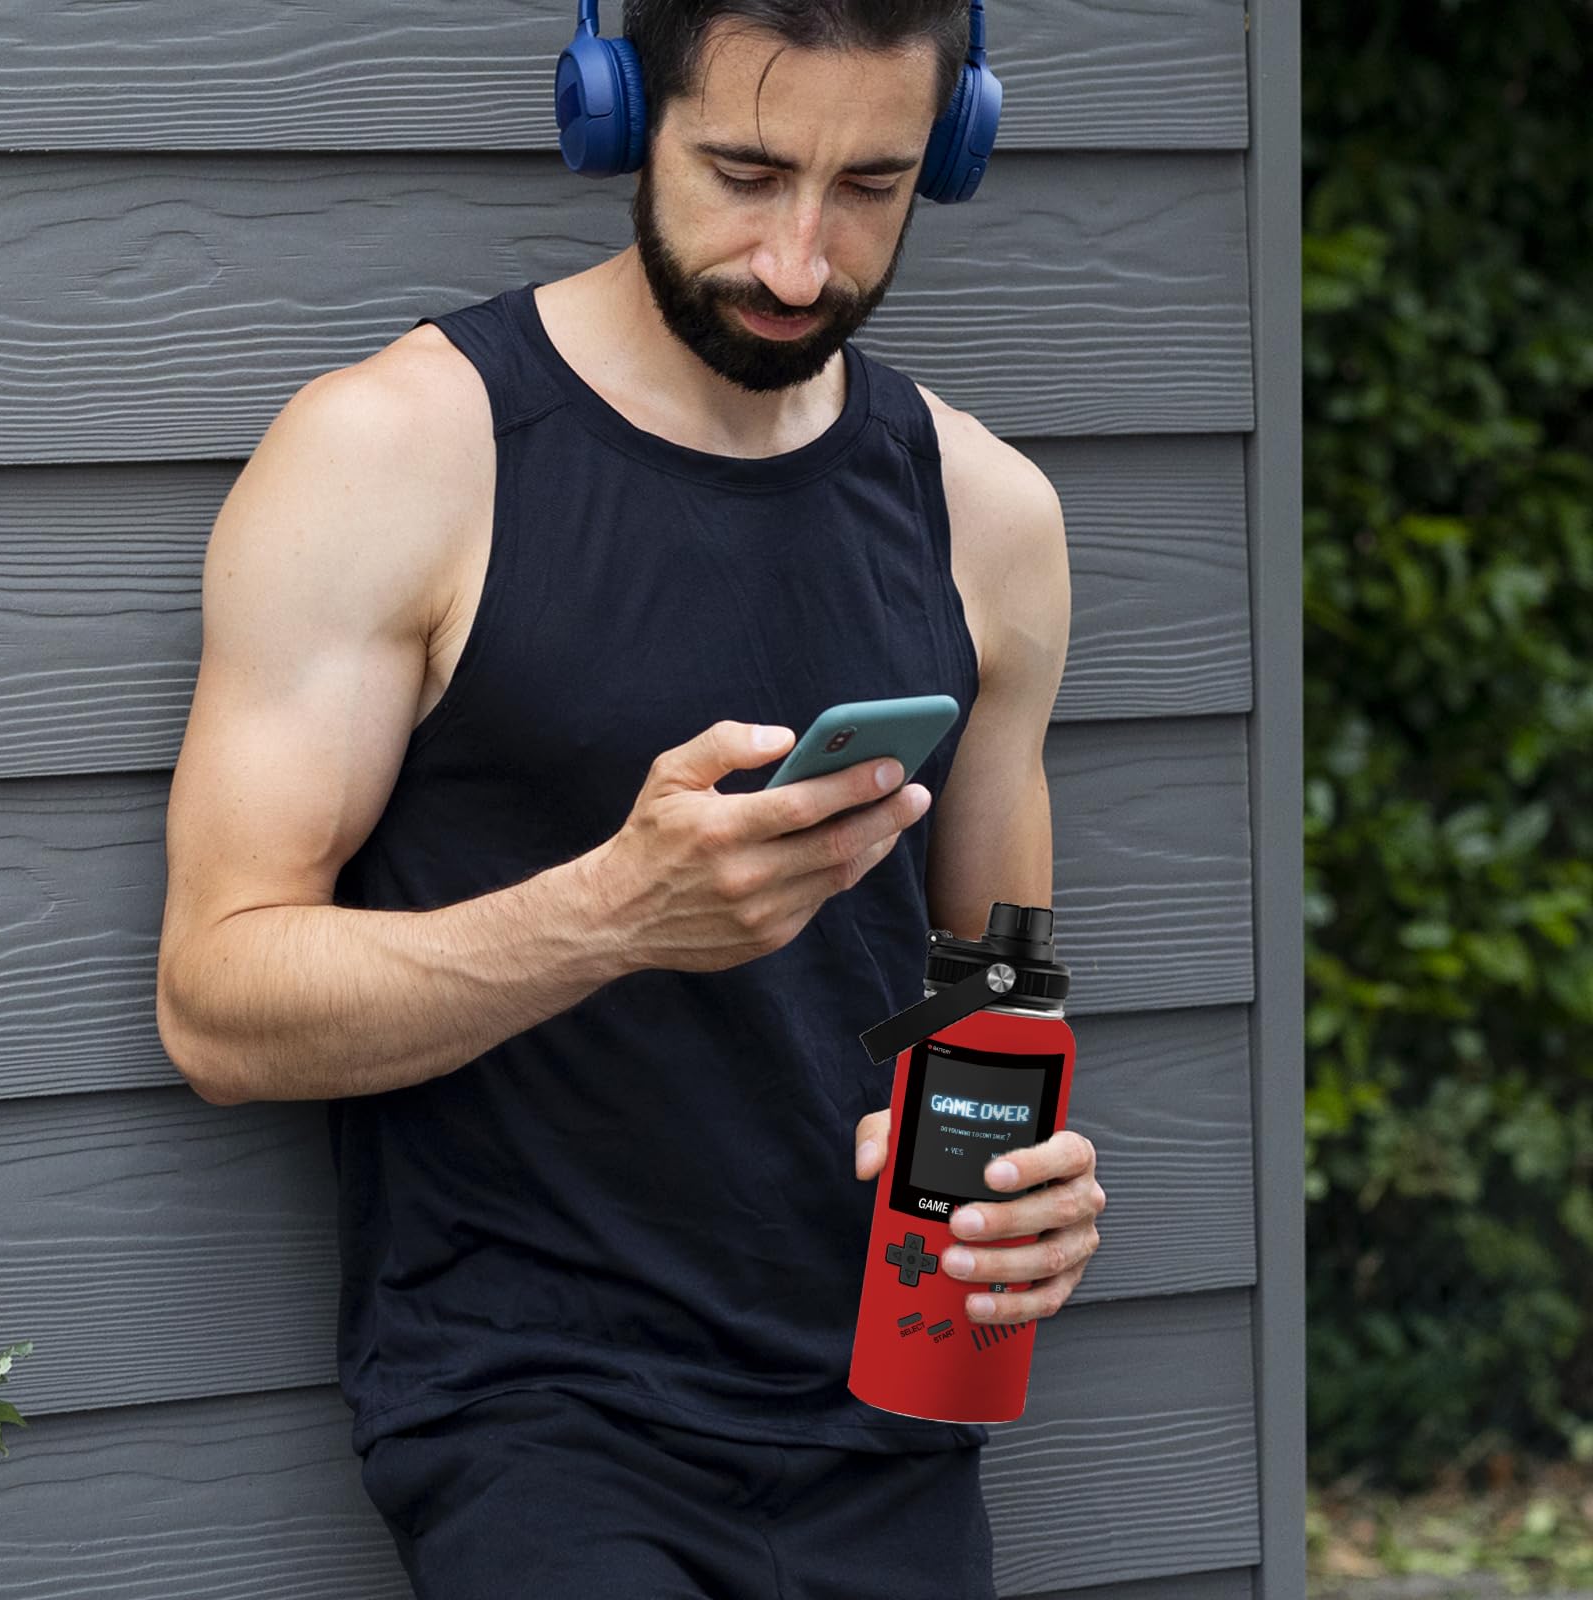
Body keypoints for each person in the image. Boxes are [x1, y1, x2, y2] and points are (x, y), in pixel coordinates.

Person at [154, 0, 1105, 1593]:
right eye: (743, 169)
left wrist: (1021, 1183)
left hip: (896, 1426)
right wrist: (609, 914)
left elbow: (993, 983)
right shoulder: (399, 453)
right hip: (544, 1430)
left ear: (949, 148)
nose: (801, 261)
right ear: (614, 113)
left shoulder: (990, 515)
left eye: (870, 188)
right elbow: (216, 1002)